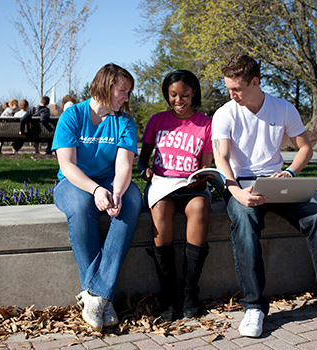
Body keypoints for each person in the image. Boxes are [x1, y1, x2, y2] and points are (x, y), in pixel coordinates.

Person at [211, 53, 317, 338]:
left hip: (276, 182)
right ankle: (254, 307)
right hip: (240, 185)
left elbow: (305, 148)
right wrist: (234, 192)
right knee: (244, 222)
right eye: (228, 88)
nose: (231, 94)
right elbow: (220, 158)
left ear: (255, 82)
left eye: (237, 88)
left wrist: (291, 172)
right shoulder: (225, 113)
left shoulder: (283, 108)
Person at [52, 63, 142, 331]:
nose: (126, 97)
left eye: (128, 92)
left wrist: (116, 192)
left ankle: (94, 296)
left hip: (111, 181)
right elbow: (67, 165)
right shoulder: (72, 116)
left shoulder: (124, 121)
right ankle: (103, 297)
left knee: (133, 201)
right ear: (105, 86)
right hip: (74, 183)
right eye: (122, 91)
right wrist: (94, 190)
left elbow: (124, 165)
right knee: (81, 206)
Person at [138, 70, 213, 321]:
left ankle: (190, 292)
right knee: (160, 210)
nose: (178, 100)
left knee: (200, 208)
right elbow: (142, 159)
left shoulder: (206, 124)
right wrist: (145, 170)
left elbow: (206, 165)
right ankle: (168, 294)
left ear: (194, 94)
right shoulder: (157, 121)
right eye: (173, 95)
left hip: (192, 188)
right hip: (162, 185)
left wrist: (202, 179)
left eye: (185, 95)